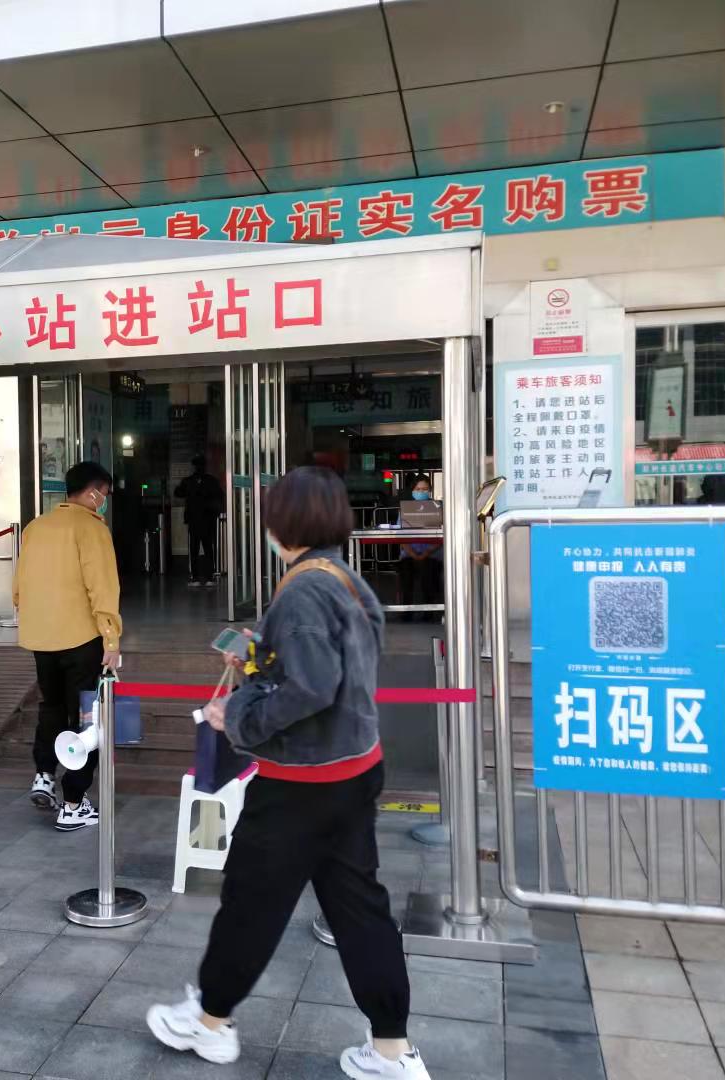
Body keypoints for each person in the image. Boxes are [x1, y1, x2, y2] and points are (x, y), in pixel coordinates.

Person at [147, 467, 429, 1080]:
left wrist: (237, 717)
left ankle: (210, 1023)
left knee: (251, 903)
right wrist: (258, 653)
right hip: (354, 770)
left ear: (284, 523)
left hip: (301, 783)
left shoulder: (302, 592)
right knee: (360, 910)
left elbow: (312, 686)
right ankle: (392, 1050)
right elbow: (326, 668)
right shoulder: (347, 579)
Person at [13, 461, 121, 832]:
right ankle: (74, 801)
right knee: (88, 719)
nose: (104, 500)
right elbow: (102, 586)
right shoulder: (91, 528)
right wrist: (111, 637)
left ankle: (44, 774)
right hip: (82, 639)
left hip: (41, 639)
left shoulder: (36, 527)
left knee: (52, 706)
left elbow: (19, 587)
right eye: (104, 494)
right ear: (92, 492)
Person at [397, 474, 442, 623]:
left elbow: (443, 535)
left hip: (432, 554)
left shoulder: (437, 508)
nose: (421, 492)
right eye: (418, 489)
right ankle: (406, 611)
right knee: (406, 572)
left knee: (428, 572)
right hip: (409, 555)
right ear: (412, 491)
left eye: (424, 489)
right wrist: (413, 554)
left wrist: (426, 552)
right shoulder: (405, 510)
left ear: (430, 490)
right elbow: (400, 536)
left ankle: (429, 611)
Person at [175, 455, 222, 587]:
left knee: (194, 549)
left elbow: (178, 492)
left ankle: (195, 577)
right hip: (207, 520)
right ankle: (209, 577)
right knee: (208, 549)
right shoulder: (211, 481)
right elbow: (219, 496)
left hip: (194, 520)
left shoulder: (188, 481)